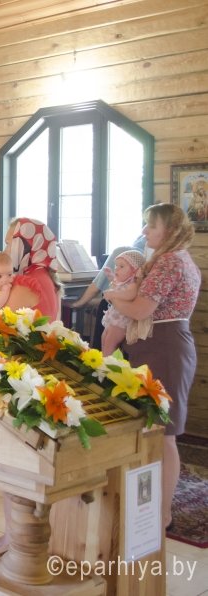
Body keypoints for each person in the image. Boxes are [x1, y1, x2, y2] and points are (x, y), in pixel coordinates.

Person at [104, 203, 200, 530]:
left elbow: (141, 309)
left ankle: (162, 514)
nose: (145, 231)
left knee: (163, 433)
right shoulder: (173, 258)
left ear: (169, 230)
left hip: (165, 348)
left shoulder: (170, 261)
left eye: (151, 225)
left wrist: (113, 297)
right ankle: (148, 507)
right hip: (158, 347)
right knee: (153, 430)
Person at [0, 217, 62, 556]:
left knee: (15, 461)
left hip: (22, 372)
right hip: (36, 370)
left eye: (12, 240)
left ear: (27, 245)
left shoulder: (26, 281)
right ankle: (15, 537)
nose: (7, 247)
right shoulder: (44, 278)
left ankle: (15, 541)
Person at [100, 250, 148, 355]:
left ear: (134, 270)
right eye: (116, 266)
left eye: (121, 266)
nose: (117, 268)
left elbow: (129, 295)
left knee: (110, 342)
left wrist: (113, 294)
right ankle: (104, 359)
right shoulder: (123, 282)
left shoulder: (133, 284)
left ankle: (107, 361)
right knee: (104, 338)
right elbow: (116, 285)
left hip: (121, 322)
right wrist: (111, 277)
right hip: (113, 319)